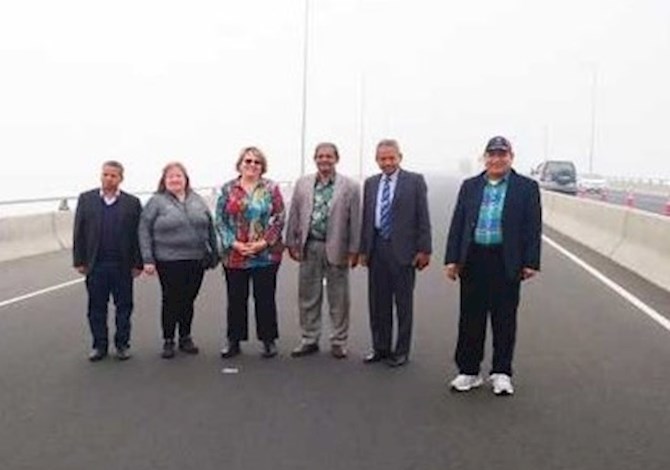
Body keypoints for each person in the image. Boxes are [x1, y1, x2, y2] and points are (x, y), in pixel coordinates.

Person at [444, 136, 541, 396]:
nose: (496, 159)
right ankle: (469, 371)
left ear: (511, 157)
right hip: (474, 258)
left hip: (506, 260)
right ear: (484, 157)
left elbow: (533, 227)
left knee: (504, 319)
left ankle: (501, 372)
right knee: (470, 319)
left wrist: (531, 261)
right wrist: (452, 259)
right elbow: (458, 223)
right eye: (492, 155)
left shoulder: (526, 187)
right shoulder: (470, 186)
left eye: (502, 154)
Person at [359, 139, 432, 367]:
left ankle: (401, 351)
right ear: (376, 160)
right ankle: (380, 348)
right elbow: (367, 219)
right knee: (377, 303)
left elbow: (423, 217)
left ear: (400, 157)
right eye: (382, 159)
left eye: (391, 158)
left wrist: (424, 249)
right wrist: (363, 250)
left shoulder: (414, 181)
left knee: (403, 304)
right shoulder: (371, 183)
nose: (387, 162)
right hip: (377, 247)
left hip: (403, 250)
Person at [285, 142, 361, 359]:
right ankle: (309, 338)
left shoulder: (350, 186)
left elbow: (355, 220)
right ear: (314, 159)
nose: (324, 160)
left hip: (337, 246)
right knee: (308, 295)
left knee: (338, 297)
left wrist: (355, 249)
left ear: (336, 158)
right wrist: (291, 242)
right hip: (310, 245)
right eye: (320, 156)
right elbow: (295, 215)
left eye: (328, 156)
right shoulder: (303, 184)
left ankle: (339, 341)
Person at [139, 162, 217, 359]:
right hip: (168, 260)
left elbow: (210, 227)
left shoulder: (197, 200)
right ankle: (168, 339)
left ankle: (185, 336)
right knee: (171, 299)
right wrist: (147, 259)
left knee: (188, 299)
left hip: (196, 258)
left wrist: (215, 253)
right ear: (164, 181)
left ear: (186, 179)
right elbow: (144, 229)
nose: (175, 180)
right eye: (170, 177)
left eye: (179, 176)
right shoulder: (156, 202)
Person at [215, 146, 285, 359]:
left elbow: (279, 217)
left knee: (265, 298)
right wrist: (234, 243)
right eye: (248, 161)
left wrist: (264, 242)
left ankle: (268, 340)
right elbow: (220, 220)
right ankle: (234, 341)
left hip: (266, 254)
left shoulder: (271, 188)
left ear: (262, 167)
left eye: (256, 162)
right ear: (240, 164)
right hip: (235, 255)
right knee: (236, 299)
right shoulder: (228, 189)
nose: (252, 165)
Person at [73, 160, 143, 362]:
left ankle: (122, 344)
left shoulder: (132, 203)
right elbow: (79, 232)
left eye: (113, 175)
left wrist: (137, 263)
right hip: (96, 265)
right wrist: (79, 260)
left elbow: (138, 235)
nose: (108, 178)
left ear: (121, 178)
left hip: (122, 265)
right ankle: (99, 346)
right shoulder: (86, 199)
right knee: (96, 308)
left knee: (124, 307)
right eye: (105, 174)